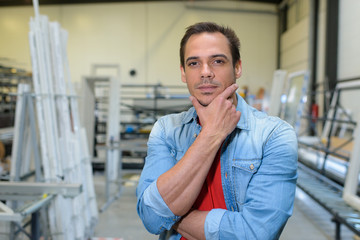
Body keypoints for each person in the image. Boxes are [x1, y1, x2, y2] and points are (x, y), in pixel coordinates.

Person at [136, 22, 298, 240]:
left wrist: (174, 215)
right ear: (183, 73)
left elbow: (256, 233)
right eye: (194, 63)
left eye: (218, 61)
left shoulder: (274, 135)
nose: (205, 72)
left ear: (237, 67)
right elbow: (151, 217)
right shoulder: (167, 130)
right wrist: (211, 134)